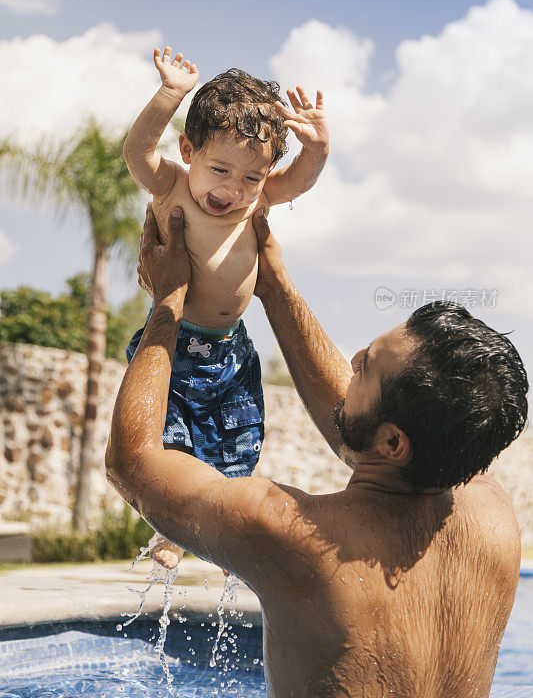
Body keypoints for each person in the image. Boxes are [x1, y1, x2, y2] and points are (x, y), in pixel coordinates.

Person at [106, 205, 528, 698]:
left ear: (393, 443)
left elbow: (134, 462)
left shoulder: (291, 535)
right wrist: (275, 285)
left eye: (365, 367)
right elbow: (358, 427)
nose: (350, 361)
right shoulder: (494, 518)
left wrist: (168, 301)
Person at [123, 46, 329, 568]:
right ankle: (171, 530)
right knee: (168, 441)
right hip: (173, 340)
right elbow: (137, 151)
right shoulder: (172, 183)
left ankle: (216, 533)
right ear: (189, 149)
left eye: (252, 178)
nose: (233, 190)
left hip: (232, 351)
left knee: (240, 444)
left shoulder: (254, 200)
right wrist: (171, 94)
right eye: (220, 169)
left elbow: (300, 180)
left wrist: (318, 148)